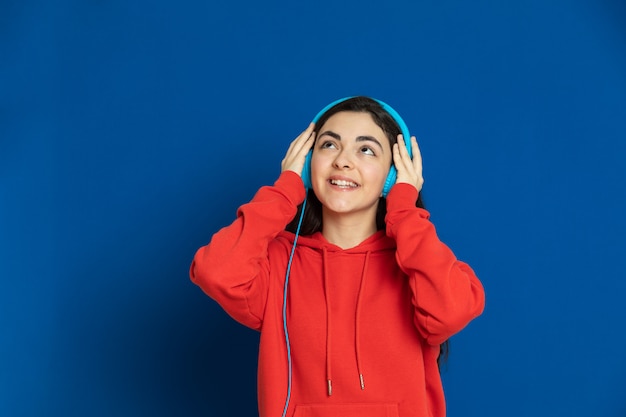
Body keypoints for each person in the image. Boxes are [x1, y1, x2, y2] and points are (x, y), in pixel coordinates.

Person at [190, 96, 485, 417]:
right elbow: (216, 272)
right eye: (329, 145)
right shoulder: (278, 263)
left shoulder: (417, 264)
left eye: (366, 149)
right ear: (307, 163)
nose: (343, 161)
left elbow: (451, 311)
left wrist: (404, 210)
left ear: (393, 174)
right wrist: (285, 190)